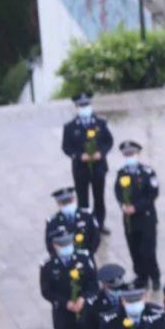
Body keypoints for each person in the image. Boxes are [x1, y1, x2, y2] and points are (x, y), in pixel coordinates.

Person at [40, 227, 98, 329]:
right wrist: (65, 303)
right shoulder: (48, 266)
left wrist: (83, 299)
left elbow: (93, 285)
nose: (67, 247)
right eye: (62, 244)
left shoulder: (84, 259)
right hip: (63, 312)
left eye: (68, 243)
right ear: (55, 245)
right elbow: (46, 291)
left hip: (85, 311)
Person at [61, 92, 114, 232]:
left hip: (98, 167)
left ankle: (100, 224)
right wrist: (79, 156)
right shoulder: (70, 127)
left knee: (99, 198)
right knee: (83, 199)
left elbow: (108, 141)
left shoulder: (100, 123)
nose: (84, 108)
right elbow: (66, 147)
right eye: (81, 106)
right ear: (76, 107)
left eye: (86, 105)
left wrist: (101, 153)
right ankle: (85, 226)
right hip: (80, 169)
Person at [113, 141, 161, 290]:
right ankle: (141, 277)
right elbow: (118, 191)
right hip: (129, 219)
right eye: (127, 154)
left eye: (132, 153)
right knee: (134, 249)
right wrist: (123, 205)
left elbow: (153, 194)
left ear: (138, 154)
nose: (129, 156)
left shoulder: (148, 172)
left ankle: (155, 277)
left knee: (148, 250)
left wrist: (137, 207)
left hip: (146, 218)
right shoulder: (122, 173)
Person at [45, 186, 101, 257]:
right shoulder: (53, 222)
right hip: (63, 259)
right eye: (64, 203)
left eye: (69, 201)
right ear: (58, 204)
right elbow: (50, 245)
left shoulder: (87, 216)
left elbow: (96, 237)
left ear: (74, 199)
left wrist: (88, 254)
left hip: (85, 257)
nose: (67, 205)